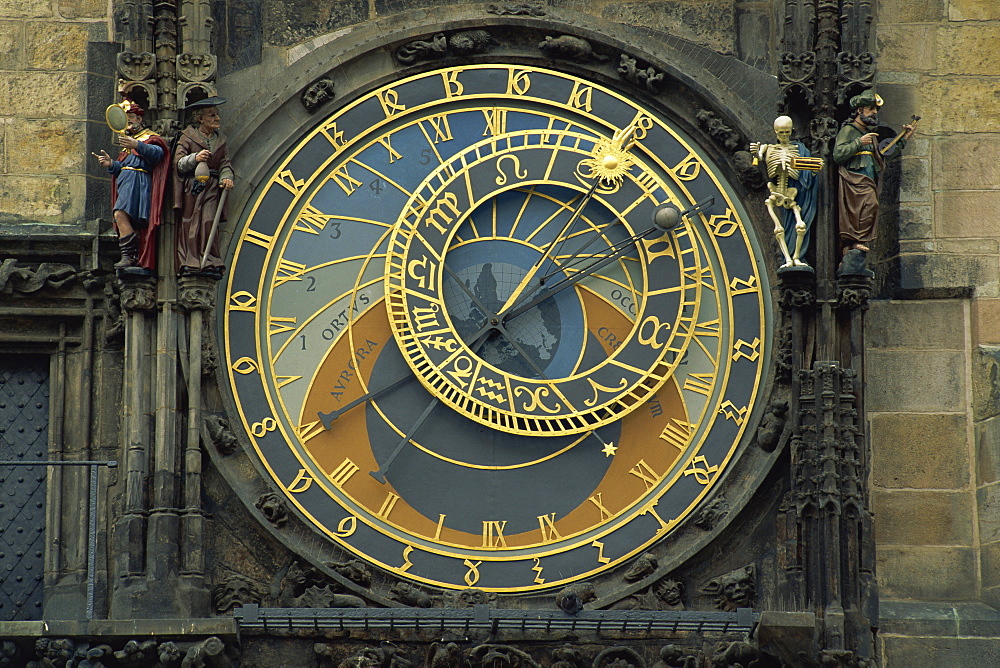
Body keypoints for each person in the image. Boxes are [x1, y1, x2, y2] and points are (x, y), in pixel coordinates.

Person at [833, 91, 915, 256]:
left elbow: (882, 154)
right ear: (860, 110)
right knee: (863, 207)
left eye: (875, 110)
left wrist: (904, 138)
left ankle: (858, 241)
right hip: (853, 178)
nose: (874, 113)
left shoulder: (869, 134)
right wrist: (858, 143)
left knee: (870, 206)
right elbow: (838, 154)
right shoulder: (849, 130)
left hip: (869, 178)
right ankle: (853, 242)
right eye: (871, 109)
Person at [92, 99, 170, 270]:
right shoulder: (129, 143)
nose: (128, 121)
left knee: (120, 214)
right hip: (126, 182)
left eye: (131, 117)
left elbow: (158, 154)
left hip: (139, 182)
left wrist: (138, 145)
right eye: (125, 118)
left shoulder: (149, 138)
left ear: (139, 119)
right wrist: (110, 164)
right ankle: (131, 255)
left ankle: (129, 255)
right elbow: (125, 165)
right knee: (123, 216)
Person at [750, 116, 822, 269]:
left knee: (800, 225)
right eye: (781, 133)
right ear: (776, 132)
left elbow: (808, 175)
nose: (784, 136)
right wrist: (756, 153)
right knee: (780, 228)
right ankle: (788, 259)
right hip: (775, 191)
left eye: (787, 132)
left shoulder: (800, 150)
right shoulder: (768, 148)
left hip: (793, 192)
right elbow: (758, 159)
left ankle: (796, 257)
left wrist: (814, 172)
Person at [174, 97, 234, 275]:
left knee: (208, 221)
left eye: (217, 115)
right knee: (191, 222)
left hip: (212, 188)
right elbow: (178, 163)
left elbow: (225, 164)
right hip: (193, 188)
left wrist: (226, 177)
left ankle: (209, 258)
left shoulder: (220, 141)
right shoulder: (187, 137)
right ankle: (191, 258)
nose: (217, 118)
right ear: (200, 119)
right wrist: (195, 158)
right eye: (212, 115)